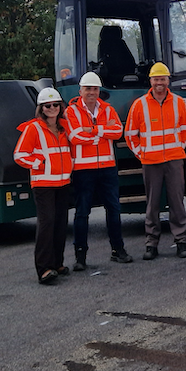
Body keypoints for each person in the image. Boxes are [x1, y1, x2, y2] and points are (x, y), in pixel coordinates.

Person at [63, 71, 131, 270]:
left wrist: (92, 130)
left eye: (94, 89)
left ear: (99, 90)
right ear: (80, 91)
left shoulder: (108, 109)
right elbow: (75, 136)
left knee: (114, 209)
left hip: (107, 168)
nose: (91, 92)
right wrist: (102, 131)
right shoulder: (71, 111)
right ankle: (80, 257)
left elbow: (117, 131)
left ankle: (118, 250)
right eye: (88, 89)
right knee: (82, 212)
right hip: (83, 169)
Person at [125, 62, 186, 259]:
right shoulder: (140, 104)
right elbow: (130, 133)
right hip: (150, 161)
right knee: (152, 204)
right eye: (156, 79)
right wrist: (141, 153)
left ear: (168, 81)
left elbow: (185, 129)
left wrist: (179, 148)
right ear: (150, 81)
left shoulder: (179, 102)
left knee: (177, 202)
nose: (159, 82)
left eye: (162, 79)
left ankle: (181, 241)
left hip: (174, 159)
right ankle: (151, 244)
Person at [14, 87, 74, 284]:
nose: (52, 108)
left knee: (60, 224)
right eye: (47, 105)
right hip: (43, 184)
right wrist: (41, 163)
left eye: (55, 104)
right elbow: (19, 155)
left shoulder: (64, 127)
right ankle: (43, 269)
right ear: (41, 108)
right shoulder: (33, 128)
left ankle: (57, 263)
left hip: (63, 182)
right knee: (47, 224)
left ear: (60, 106)